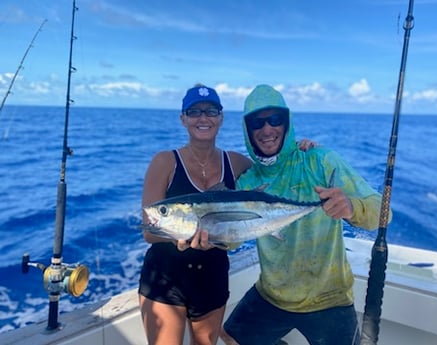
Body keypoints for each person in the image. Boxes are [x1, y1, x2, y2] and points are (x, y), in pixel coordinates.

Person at [221, 84, 390, 345]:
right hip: (271, 295)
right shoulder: (247, 183)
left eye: (275, 120)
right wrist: (209, 234)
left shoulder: (320, 160)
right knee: (230, 337)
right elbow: (231, 239)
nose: (267, 129)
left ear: (286, 123)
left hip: (329, 297)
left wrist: (351, 207)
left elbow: (383, 212)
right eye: (257, 123)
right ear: (247, 130)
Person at [138, 84, 253, 345]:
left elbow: (273, 172)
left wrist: (299, 148)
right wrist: (181, 236)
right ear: (183, 119)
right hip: (165, 277)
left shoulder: (235, 162)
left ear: (221, 118)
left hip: (212, 274)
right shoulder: (165, 162)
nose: (203, 118)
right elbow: (149, 230)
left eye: (211, 111)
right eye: (194, 112)